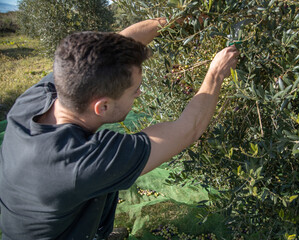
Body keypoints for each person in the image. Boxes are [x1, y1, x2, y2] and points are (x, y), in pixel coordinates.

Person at [0, 17, 239, 240]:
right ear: (102, 106)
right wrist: (217, 73)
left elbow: (112, 48)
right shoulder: (82, 162)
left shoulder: (36, 99)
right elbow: (188, 129)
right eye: (135, 89)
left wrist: (169, 21)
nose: (140, 93)